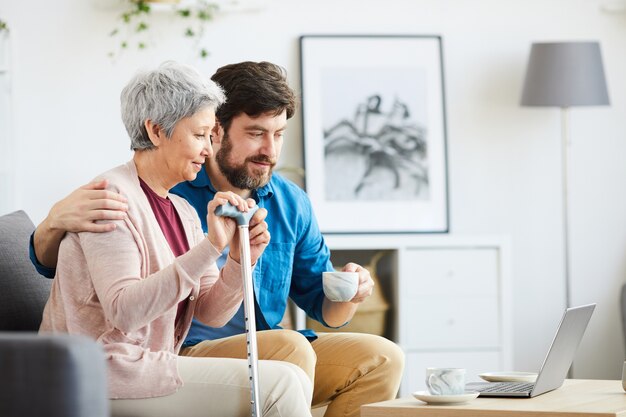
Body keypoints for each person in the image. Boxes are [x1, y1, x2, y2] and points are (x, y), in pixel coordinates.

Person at [31, 61, 404, 417]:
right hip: (114, 366)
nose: (208, 148)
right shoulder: (111, 200)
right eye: (200, 136)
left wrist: (242, 260)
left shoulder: (181, 207)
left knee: (375, 356)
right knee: (285, 364)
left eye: (278, 135)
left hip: (163, 357)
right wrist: (210, 247)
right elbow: (123, 310)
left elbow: (210, 309)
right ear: (157, 131)